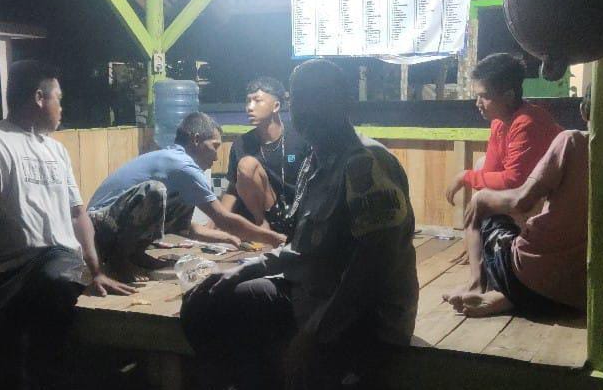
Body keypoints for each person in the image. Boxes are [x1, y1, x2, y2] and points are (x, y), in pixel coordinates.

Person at [181, 59, 418, 390]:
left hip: (363, 321)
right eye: (301, 100)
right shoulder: (315, 163)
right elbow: (301, 249)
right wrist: (244, 269)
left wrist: (313, 334)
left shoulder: (365, 164)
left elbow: (373, 269)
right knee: (204, 301)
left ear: (344, 104)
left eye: (319, 98)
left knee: (288, 355)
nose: (307, 110)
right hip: (312, 294)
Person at [0, 60, 134, 390]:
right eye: (59, 98)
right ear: (39, 98)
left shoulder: (57, 151)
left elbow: (78, 215)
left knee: (52, 286)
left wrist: (96, 270)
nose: (62, 107)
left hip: (55, 261)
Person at [88, 112, 286, 281]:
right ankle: (119, 261)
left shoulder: (175, 165)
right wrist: (274, 238)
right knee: (155, 191)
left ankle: (135, 254)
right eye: (215, 146)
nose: (216, 157)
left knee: (179, 197)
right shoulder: (182, 165)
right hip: (98, 228)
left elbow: (183, 226)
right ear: (196, 140)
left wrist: (226, 237)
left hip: (109, 226)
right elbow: (223, 219)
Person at [443, 129, 589, 317]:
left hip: (528, 276)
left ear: (584, 114)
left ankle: (478, 285)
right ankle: (509, 298)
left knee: (487, 213)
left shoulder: (573, 140)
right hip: (578, 287)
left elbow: (522, 200)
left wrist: (482, 198)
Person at [447, 53, 562, 206]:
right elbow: (490, 171)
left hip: (556, 198)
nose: (478, 103)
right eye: (477, 96)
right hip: (529, 191)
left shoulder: (527, 123)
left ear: (508, 96)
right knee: (481, 167)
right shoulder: (499, 122)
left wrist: (464, 177)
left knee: (481, 196)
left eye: (484, 96)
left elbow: (513, 181)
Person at [219, 77, 311, 237]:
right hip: (261, 217)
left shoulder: (300, 138)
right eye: (248, 101)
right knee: (247, 164)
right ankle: (263, 227)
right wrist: (217, 221)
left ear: (276, 106)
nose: (250, 107)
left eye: (257, 101)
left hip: (295, 213)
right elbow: (232, 190)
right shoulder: (241, 144)